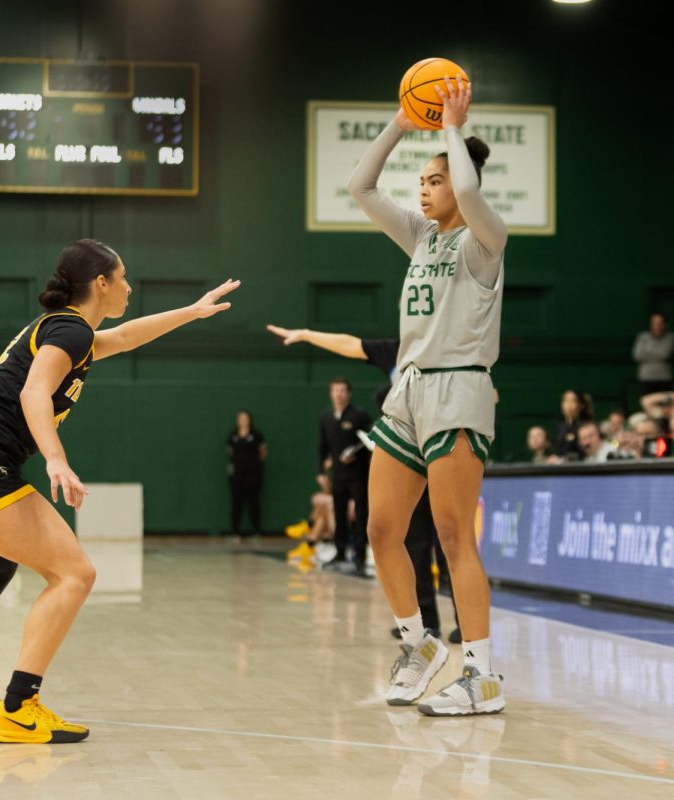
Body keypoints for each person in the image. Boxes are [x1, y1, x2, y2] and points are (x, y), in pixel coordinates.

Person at [0, 239, 238, 744]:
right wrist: (56, 459)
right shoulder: (70, 329)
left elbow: (127, 337)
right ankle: (20, 707)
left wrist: (193, 312)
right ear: (101, 284)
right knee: (75, 574)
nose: (130, 286)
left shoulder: (70, 331)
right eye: (123, 277)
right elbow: (32, 391)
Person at [348, 75, 505, 716]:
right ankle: (419, 645)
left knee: (450, 534)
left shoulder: (485, 238)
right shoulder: (421, 237)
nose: (425, 187)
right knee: (381, 528)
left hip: (459, 387)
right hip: (408, 390)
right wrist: (399, 124)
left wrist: (450, 126)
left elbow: (468, 188)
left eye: (434, 180)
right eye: (424, 181)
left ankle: (483, 674)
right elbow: (360, 186)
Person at [266, 323, 461, 641]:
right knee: (414, 542)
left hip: (446, 453)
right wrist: (306, 335)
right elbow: (348, 342)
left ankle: (467, 625)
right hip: (410, 456)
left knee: (450, 541)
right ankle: (427, 623)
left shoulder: (447, 347)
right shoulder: (394, 349)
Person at [318, 377, 373, 574]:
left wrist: (355, 454)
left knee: (360, 515)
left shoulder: (360, 416)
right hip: (338, 476)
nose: (339, 394)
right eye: (335, 391)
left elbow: (370, 442)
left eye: (343, 391)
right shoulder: (326, 417)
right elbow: (322, 447)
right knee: (339, 515)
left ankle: (359, 556)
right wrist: (321, 471)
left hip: (358, 475)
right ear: (331, 393)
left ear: (349, 393)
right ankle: (340, 552)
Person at [227, 410, 267, 539]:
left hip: (253, 475)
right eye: (240, 418)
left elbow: (263, 452)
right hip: (237, 475)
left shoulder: (256, 435)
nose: (243, 420)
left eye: (245, 418)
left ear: (249, 419)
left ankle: (256, 531)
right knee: (236, 503)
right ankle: (235, 532)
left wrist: (254, 465)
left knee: (254, 502)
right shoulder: (233, 436)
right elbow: (230, 452)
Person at [632, 313, 674, 396]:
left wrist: (647, 353)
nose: (657, 326)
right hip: (646, 378)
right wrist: (658, 354)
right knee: (647, 403)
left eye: (660, 323)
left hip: (664, 379)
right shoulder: (642, 337)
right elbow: (637, 355)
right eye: (655, 323)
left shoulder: (671, 337)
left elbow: (665, 354)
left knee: (665, 406)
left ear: (665, 324)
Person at [552, 389, 591, 462]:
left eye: (573, 401)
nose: (569, 405)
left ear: (581, 406)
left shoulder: (586, 427)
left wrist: (563, 460)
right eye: (566, 401)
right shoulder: (559, 427)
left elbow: (586, 452)